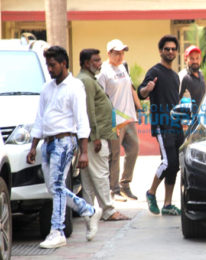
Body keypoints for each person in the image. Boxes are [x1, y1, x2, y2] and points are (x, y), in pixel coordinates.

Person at [26, 46, 102, 249]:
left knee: (57, 186)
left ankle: (57, 231)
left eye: (52, 65)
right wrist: (33, 146)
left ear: (63, 64)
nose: (49, 69)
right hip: (47, 143)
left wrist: (84, 151)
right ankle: (89, 211)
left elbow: (82, 119)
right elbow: (40, 119)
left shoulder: (75, 86)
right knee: (54, 188)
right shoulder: (46, 88)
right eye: (47, 65)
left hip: (65, 142)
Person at [77, 48, 130, 221]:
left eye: (100, 60)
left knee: (90, 176)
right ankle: (108, 210)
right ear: (86, 63)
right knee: (100, 173)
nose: (100, 64)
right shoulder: (86, 81)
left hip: (94, 135)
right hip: (94, 137)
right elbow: (89, 110)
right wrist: (96, 136)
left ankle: (88, 211)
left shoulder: (89, 79)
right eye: (96, 61)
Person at [137, 35, 184, 216]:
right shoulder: (154, 71)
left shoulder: (175, 76)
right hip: (162, 124)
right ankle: (150, 193)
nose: (170, 52)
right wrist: (147, 90)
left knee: (175, 166)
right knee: (168, 162)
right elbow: (142, 92)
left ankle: (167, 204)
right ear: (160, 51)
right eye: (167, 49)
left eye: (173, 49)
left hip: (176, 125)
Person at [97, 39, 139, 202]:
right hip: (114, 120)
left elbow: (130, 87)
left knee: (133, 151)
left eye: (122, 53)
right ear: (108, 53)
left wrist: (139, 106)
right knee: (114, 156)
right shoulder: (103, 72)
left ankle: (125, 185)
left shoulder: (123, 66)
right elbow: (101, 99)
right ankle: (113, 190)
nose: (120, 56)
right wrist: (110, 122)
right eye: (117, 53)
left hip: (129, 117)